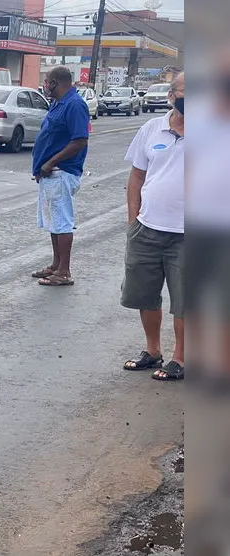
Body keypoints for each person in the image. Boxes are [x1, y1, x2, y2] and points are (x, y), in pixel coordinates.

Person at [120, 72, 185, 381]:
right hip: (147, 229)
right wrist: (133, 220)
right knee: (144, 294)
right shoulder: (151, 129)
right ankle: (153, 350)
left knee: (187, 300)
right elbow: (136, 176)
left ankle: (180, 358)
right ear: (171, 96)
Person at [30, 66, 90, 286]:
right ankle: (56, 265)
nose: (45, 85)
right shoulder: (58, 103)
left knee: (62, 222)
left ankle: (64, 271)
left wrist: (50, 163)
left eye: (47, 81)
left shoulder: (74, 105)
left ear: (56, 82)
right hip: (50, 174)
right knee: (53, 222)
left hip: (61, 172)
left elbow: (79, 140)